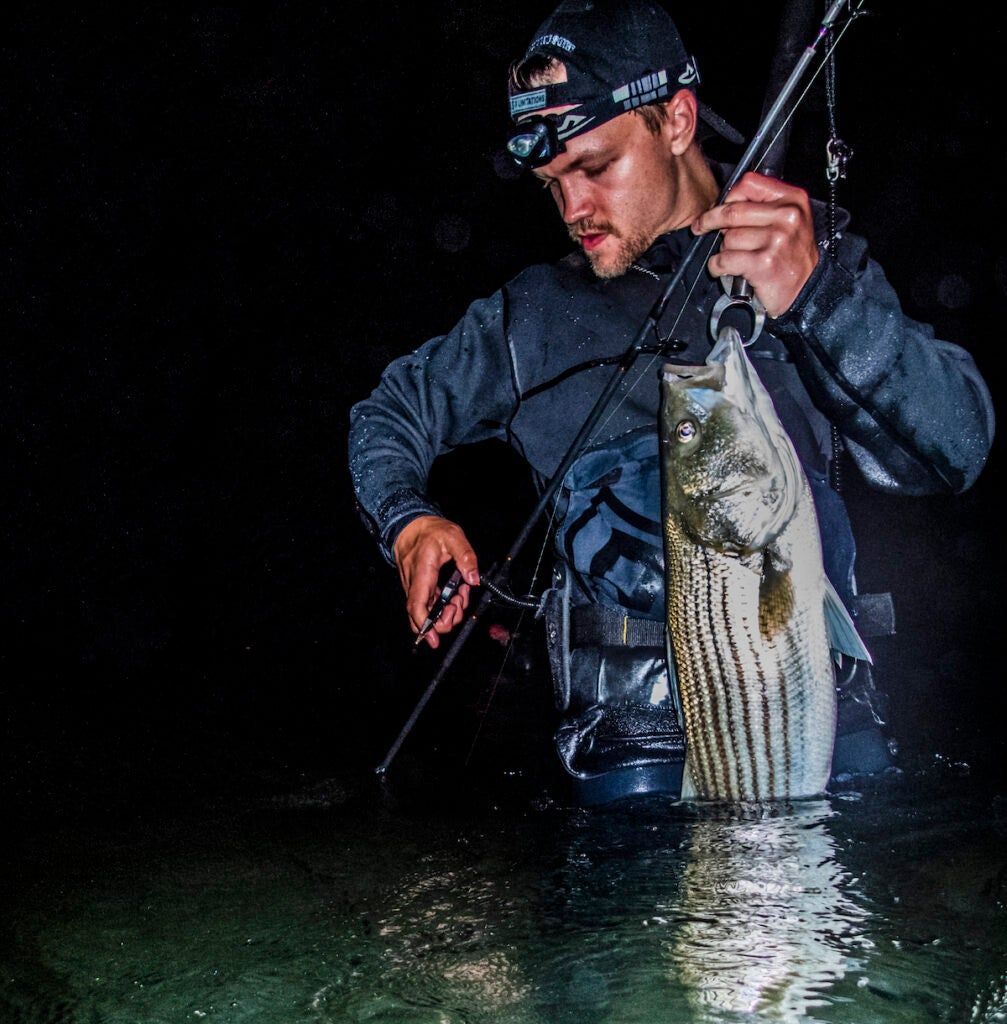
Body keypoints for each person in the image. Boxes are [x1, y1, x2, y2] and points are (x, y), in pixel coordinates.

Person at [348, 0, 994, 803]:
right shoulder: (532, 319)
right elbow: (386, 416)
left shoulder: (801, 256)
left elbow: (957, 446)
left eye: (594, 167)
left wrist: (818, 299)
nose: (572, 209)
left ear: (677, 119)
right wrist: (410, 520)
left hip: (821, 744)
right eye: (553, 184)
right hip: (630, 773)